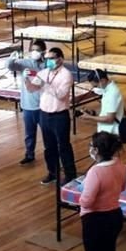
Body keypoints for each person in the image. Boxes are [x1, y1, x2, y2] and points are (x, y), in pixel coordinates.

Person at [79, 131, 126, 251]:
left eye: (92, 146)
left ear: (97, 150)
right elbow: (122, 187)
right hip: (114, 216)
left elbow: (87, 201)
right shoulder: (120, 165)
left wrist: (81, 197)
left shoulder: (95, 172)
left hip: (94, 221)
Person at [26, 47, 77, 185]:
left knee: (64, 146)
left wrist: (46, 85)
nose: (49, 61)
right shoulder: (44, 72)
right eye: (47, 58)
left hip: (59, 115)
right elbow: (32, 89)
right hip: (44, 114)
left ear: (60, 59)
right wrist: (26, 79)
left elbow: (61, 95)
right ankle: (53, 172)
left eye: (52, 58)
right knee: (49, 146)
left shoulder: (66, 75)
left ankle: (70, 174)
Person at [6, 39, 47, 164]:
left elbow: (48, 75)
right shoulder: (25, 63)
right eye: (33, 49)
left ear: (43, 52)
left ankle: (49, 153)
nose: (35, 52)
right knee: (29, 133)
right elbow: (10, 66)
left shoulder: (46, 65)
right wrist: (12, 57)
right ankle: (29, 154)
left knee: (47, 133)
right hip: (28, 105)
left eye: (38, 50)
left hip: (43, 106)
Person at [78, 69, 125, 135]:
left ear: (102, 80)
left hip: (110, 132)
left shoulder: (112, 94)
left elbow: (109, 119)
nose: (95, 88)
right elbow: (107, 111)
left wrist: (89, 117)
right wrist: (92, 113)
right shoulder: (107, 90)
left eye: (95, 86)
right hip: (106, 130)